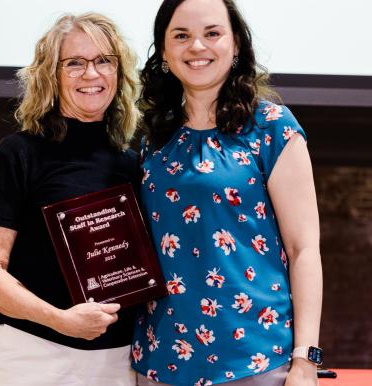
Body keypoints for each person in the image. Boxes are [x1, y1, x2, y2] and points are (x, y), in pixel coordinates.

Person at [131, 1, 323, 385]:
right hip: (161, 360)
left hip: (255, 360)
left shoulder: (272, 127)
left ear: (236, 45)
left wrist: (306, 359)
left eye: (212, 33)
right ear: (164, 52)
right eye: (181, 36)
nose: (197, 46)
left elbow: (304, 249)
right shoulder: (153, 136)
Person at [0, 12, 141, 386]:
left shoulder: (135, 163)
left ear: (119, 73)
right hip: (30, 350)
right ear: (52, 74)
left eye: (103, 61)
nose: (91, 75)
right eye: (75, 63)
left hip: (118, 358)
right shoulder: (18, 153)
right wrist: (60, 320)